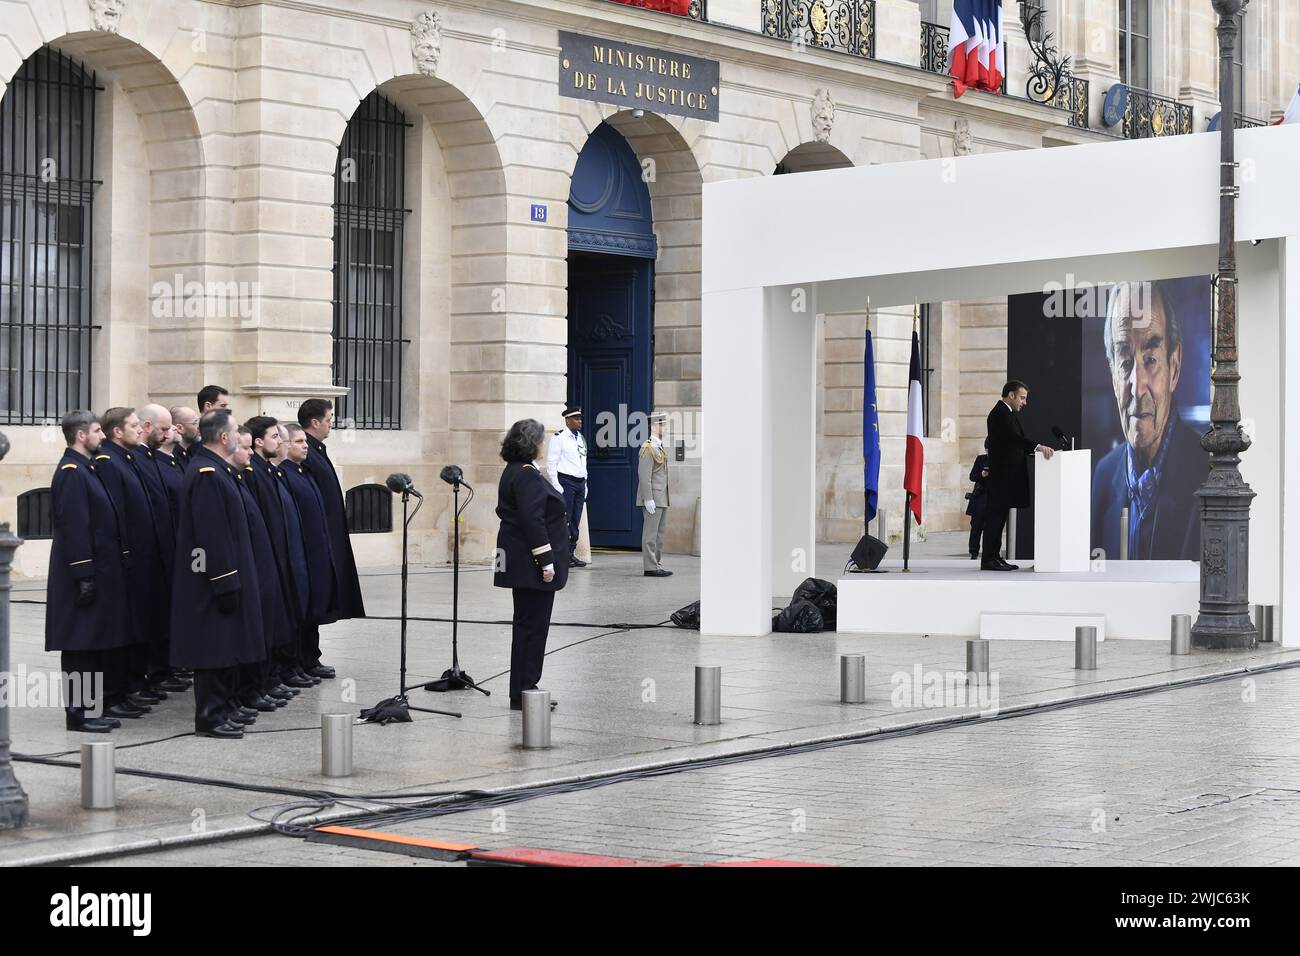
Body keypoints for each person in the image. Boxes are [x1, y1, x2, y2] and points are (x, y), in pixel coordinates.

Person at [170, 409, 266, 739]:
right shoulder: (208, 473)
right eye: (236, 430)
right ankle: (210, 715)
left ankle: (223, 708)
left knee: (227, 644)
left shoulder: (219, 470)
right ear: (224, 437)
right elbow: (212, 535)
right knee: (214, 647)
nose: (241, 436)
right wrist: (224, 580)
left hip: (228, 573)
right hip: (213, 579)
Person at [1092, 281, 1203, 560]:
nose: (1138, 386)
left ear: (1174, 368)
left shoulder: (1210, 476)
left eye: (1151, 358)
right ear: (1112, 374)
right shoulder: (1103, 477)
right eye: (1125, 361)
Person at [45, 411, 134, 732]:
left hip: (98, 572)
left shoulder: (87, 468)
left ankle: (91, 709)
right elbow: (74, 527)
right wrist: (83, 573)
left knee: (93, 645)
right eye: (97, 431)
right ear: (81, 435)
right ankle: (79, 714)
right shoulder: (72, 471)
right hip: (79, 576)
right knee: (80, 647)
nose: (102, 436)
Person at [96, 407, 170, 708]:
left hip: (143, 558)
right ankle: (118, 691)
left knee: (139, 625)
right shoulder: (109, 462)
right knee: (121, 632)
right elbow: (114, 515)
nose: (141, 430)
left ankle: (132, 685)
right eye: (134, 425)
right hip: (126, 560)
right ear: (117, 431)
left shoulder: (128, 459)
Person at [495, 419, 569, 711]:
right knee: (533, 629)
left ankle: (523, 689)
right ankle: (525, 690)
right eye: (541, 440)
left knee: (527, 627)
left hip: (522, 563)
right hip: (531, 565)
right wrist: (546, 561)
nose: (544, 445)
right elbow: (532, 520)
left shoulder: (516, 470)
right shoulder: (525, 475)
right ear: (531, 443)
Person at [245, 415, 311, 695]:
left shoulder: (272, 471)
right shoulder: (253, 472)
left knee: (280, 620)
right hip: (266, 560)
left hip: (281, 556)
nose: (280, 442)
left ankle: (274, 675)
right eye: (275, 437)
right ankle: (263, 681)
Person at [298, 398, 365, 677]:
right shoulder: (308, 454)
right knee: (310, 600)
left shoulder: (317, 450)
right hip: (317, 541)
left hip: (329, 536)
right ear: (315, 422)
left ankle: (311, 656)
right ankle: (306, 658)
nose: (331, 424)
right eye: (328, 419)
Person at [232, 426, 294, 712]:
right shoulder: (74, 471)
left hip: (266, 557)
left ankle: (260, 683)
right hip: (93, 577)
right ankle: (84, 707)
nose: (281, 442)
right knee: (87, 647)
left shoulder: (261, 471)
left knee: (268, 625)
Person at [279, 422, 335, 687]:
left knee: (313, 608)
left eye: (305, 441)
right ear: (286, 445)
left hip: (315, 550)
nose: (305, 447)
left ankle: (310, 658)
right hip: (302, 553)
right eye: (299, 442)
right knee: (299, 610)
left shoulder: (304, 472)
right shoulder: (285, 475)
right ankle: (296, 661)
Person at [982, 381, 1055, 571]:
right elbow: (1012, 439)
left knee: (1000, 518)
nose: (1024, 402)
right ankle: (989, 559)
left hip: (1006, 477)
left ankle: (995, 557)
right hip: (1001, 477)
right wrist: (1037, 447)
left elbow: (1010, 443)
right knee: (995, 518)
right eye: (1022, 397)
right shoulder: (999, 413)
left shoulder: (1007, 413)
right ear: (1011, 395)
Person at [545, 405, 588, 568]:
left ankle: (571, 553)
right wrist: (557, 485)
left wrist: (586, 482)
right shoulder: (559, 437)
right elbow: (551, 463)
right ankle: (562, 555)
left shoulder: (580, 438)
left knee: (576, 519)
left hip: (579, 483)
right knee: (566, 519)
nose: (580, 421)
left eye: (580, 418)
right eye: (576, 418)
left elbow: (583, 461)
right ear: (567, 420)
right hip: (566, 482)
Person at [636, 411, 672, 577]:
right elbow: (644, 476)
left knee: (660, 534)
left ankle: (656, 564)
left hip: (662, 496)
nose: (664, 428)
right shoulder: (648, 447)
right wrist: (648, 498)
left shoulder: (658, 446)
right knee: (650, 534)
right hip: (653, 497)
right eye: (662, 424)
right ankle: (650, 567)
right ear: (654, 426)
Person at [966, 444, 990, 560]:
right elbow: (972, 476)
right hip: (980, 497)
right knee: (976, 526)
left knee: (991, 527)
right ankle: (973, 552)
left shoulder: (1001, 460)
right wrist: (982, 475)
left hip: (993, 497)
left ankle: (990, 552)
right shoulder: (981, 459)